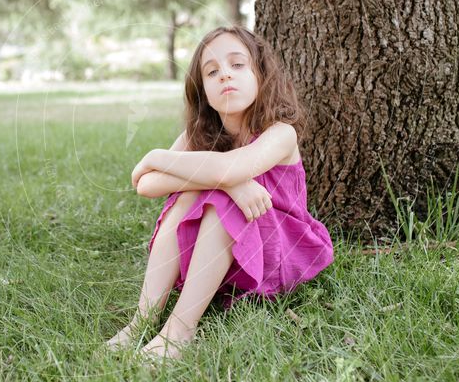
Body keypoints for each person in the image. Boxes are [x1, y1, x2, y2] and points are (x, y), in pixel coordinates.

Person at [105, 24, 334, 364]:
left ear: (261, 74)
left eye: (237, 65)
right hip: (218, 256)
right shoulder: (197, 134)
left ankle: (179, 331)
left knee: (221, 198)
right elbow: (148, 185)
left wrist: (156, 158)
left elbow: (229, 169)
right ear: (204, 92)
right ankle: (142, 320)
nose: (225, 75)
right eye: (212, 72)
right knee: (190, 197)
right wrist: (226, 181)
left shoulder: (279, 133)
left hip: (279, 251)